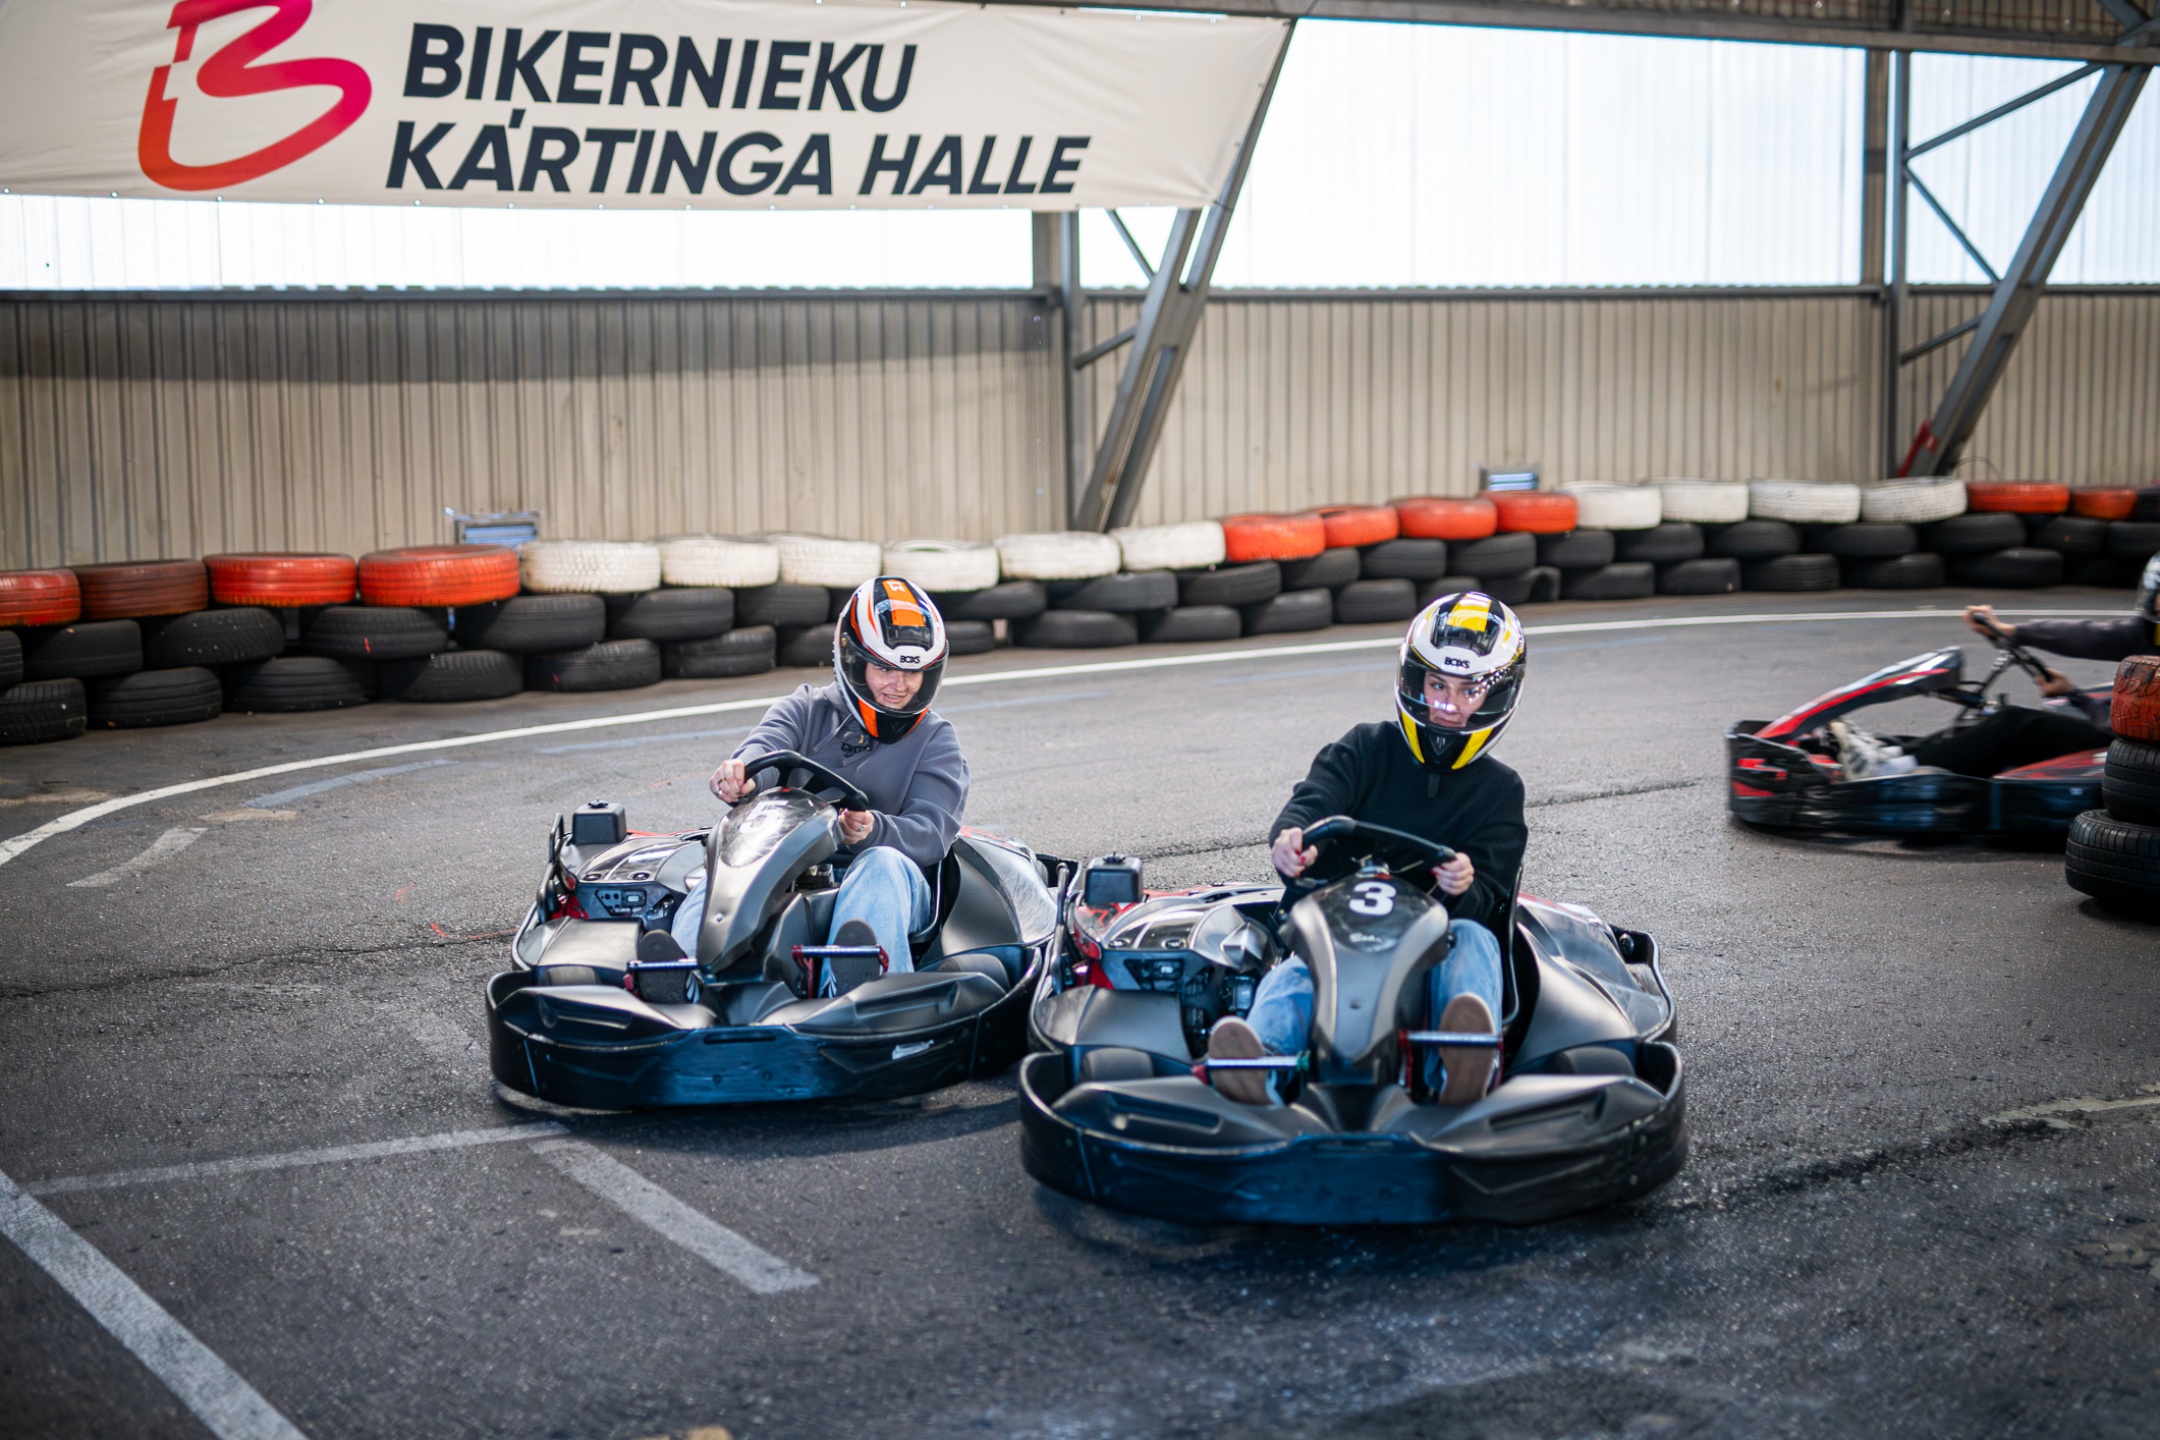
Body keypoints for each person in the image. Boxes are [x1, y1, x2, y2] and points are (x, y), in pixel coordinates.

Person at [1205, 591, 1529, 1108]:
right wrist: (1291, 841)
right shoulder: (1364, 749)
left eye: (1468, 690)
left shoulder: (1500, 790)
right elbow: (1310, 804)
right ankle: (1256, 1069)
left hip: (1438, 946)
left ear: (1498, 695)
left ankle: (1461, 1066)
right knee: (1297, 971)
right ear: (1413, 679)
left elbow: (1492, 898)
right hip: (1342, 933)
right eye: (1437, 684)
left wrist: (1464, 883)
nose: (1447, 705)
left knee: (1475, 939)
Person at [668, 575, 967, 993]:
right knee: (730, 870)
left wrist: (872, 829)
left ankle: (860, 990)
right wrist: (742, 776)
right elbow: (764, 748)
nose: (898, 685)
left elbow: (932, 832)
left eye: (910, 672)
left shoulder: (935, 739)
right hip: (792, 867)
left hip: (891, 881)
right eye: (884, 668)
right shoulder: (806, 709)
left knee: (880, 864)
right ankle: (679, 979)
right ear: (854, 661)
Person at [1829, 563, 2160, 779]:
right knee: (1993, 715)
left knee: (2016, 724)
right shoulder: (2151, 632)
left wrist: (2079, 699)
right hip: (2127, 734)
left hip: (2138, 752)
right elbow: (2095, 636)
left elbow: (2130, 726)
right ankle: (1894, 753)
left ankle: (1891, 769)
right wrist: (2014, 632)